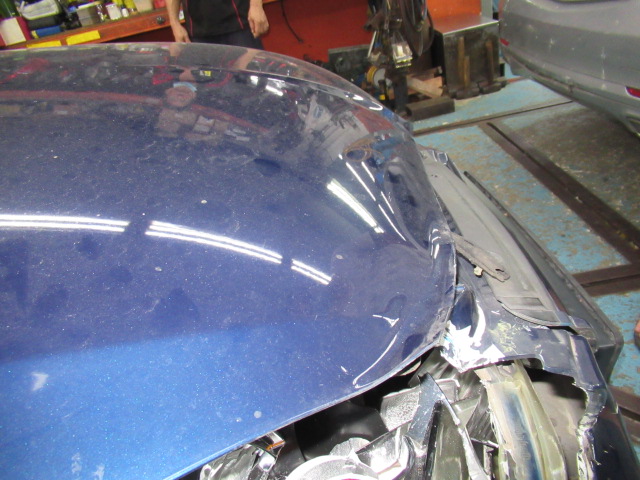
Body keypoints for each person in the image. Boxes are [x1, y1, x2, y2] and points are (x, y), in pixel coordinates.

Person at [167, 0, 269, 49]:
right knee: (207, 83)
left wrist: (256, 6)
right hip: (198, 33)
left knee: (251, 80)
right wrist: (174, 23)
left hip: (238, 26)